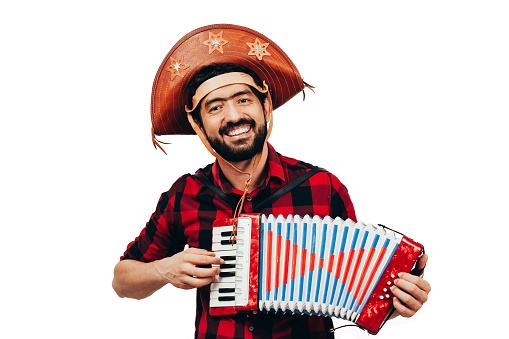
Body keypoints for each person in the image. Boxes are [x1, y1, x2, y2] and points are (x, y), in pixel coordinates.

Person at [112, 24, 430, 339]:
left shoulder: (322, 186)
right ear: (198, 123)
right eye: (215, 107)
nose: (233, 116)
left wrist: (395, 300)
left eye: (243, 99)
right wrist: (163, 270)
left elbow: (355, 287)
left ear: (265, 106)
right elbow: (122, 280)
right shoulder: (186, 195)